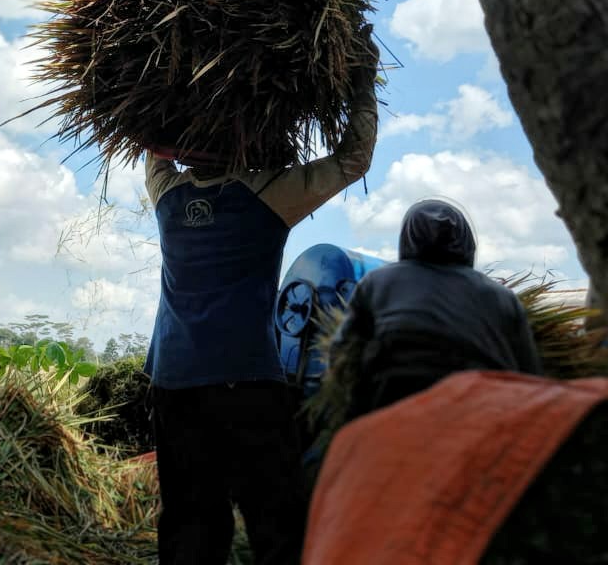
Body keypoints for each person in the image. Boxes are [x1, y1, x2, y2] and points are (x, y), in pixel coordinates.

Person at [144, 29, 380, 564]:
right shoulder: (268, 194)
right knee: (277, 519)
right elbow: (352, 160)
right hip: (246, 380)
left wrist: (159, 88)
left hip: (174, 382)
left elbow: (150, 149)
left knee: (188, 519)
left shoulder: (168, 196)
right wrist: (362, 82)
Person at [333, 198, 544, 421]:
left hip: (392, 410)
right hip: (484, 414)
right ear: (467, 241)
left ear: (408, 237)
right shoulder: (502, 296)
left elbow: (342, 352)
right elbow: (530, 373)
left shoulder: (376, 282)